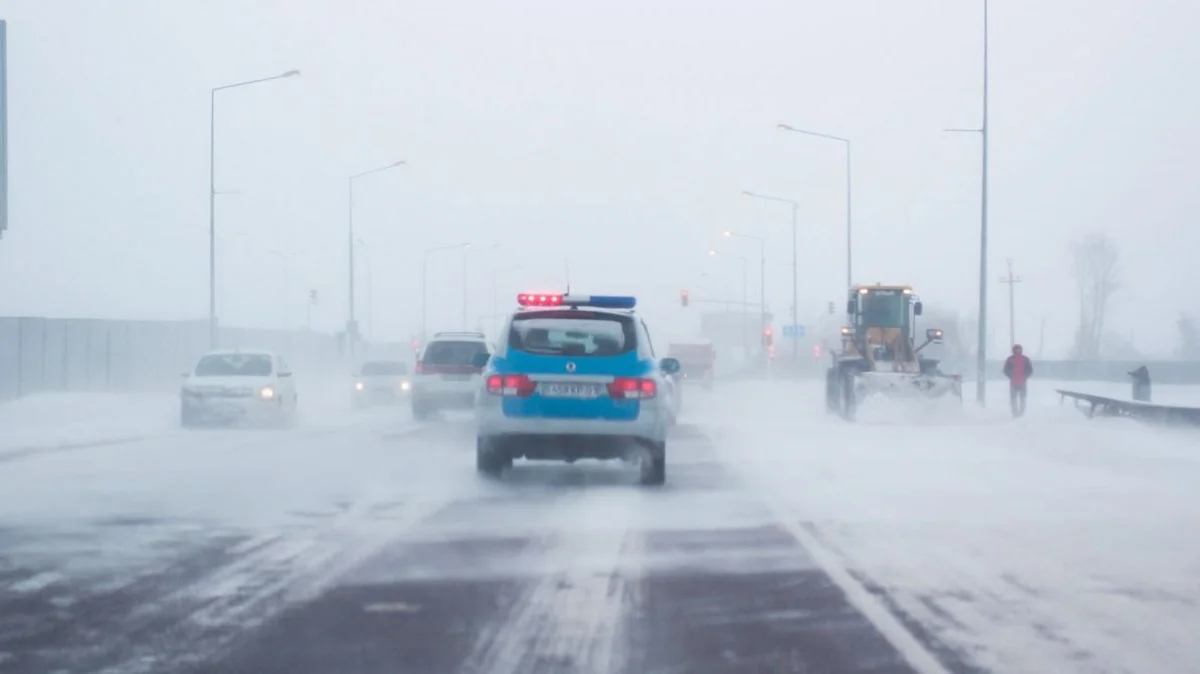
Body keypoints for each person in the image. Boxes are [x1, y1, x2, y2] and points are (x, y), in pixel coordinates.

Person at [1003, 344, 1033, 417]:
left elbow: (1005, 370)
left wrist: (1011, 376)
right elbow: (1030, 370)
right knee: (1021, 398)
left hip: (1015, 382)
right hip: (1021, 382)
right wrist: (1025, 376)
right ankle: (1019, 413)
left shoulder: (1010, 359)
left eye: (1018, 349)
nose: (1017, 351)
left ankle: (1016, 413)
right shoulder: (1025, 359)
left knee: (1015, 398)